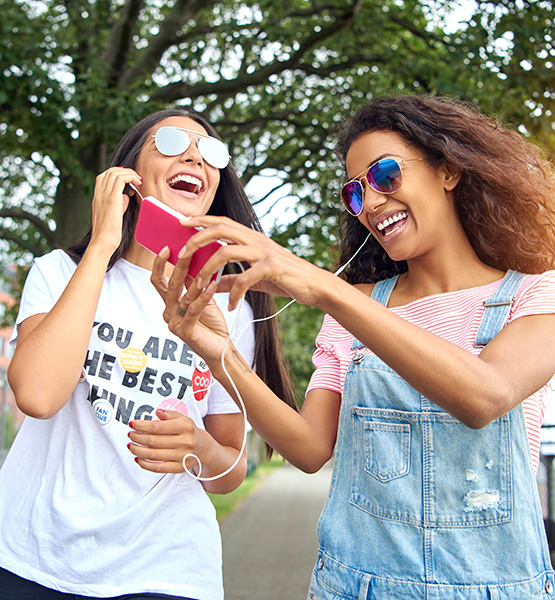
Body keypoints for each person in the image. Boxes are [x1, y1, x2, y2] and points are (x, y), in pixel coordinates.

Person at [151, 95, 555, 599]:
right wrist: (220, 354)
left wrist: (324, 288)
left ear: (448, 171)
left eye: (386, 175)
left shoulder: (536, 294)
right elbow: (308, 448)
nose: (374, 202)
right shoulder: (351, 309)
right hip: (352, 586)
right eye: (356, 194)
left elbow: (485, 396)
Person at [0, 108, 295, 600]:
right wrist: (101, 247)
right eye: (174, 141)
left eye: (211, 154)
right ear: (129, 171)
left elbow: (231, 471)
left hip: (166, 571)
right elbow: (37, 395)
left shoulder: (227, 303)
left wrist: (198, 448)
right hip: (33, 558)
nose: (195, 158)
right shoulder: (58, 272)